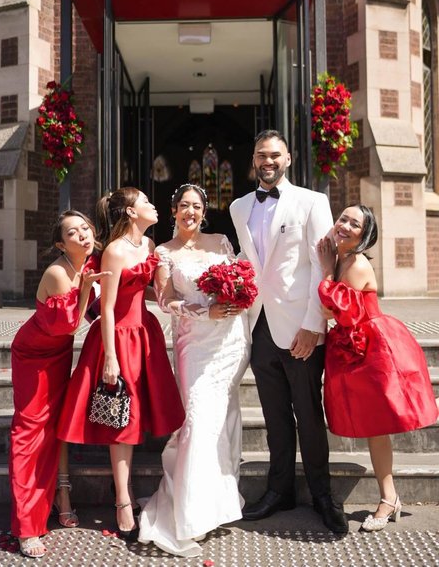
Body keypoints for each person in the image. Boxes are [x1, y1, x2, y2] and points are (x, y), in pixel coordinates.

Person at [229, 129, 348, 534]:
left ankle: (322, 495)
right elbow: (249, 262)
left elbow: (323, 266)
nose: (268, 161)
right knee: (274, 415)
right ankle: (279, 491)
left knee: (309, 415)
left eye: (275, 155)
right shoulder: (239, 206)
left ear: (289, 159)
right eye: (262, 154)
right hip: (259, 327)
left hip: (301, 327)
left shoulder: (313, 202)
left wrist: (314, 326)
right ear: (254, 158)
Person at [57, 187, 185, 541]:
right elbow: (108, 308)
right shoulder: (114, 251)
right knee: (120, 418)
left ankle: (128, 496)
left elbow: (160, 293)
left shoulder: (147, 246)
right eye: (145, 201)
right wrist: (110, 357)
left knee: (135, 414)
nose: (153, 205)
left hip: (145, 334)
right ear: (130, 212)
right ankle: (123, 501)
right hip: (118, 338)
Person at [138, 183, 250, 557]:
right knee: (198, 420)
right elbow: (167, 299)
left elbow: (239, 281)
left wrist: (233, 298)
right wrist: (204, 311)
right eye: (184, 205)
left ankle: (216, 504)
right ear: (173, 211)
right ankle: (187, 513)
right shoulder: (163, 252)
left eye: (197, 206)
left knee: (222, 418)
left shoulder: (220, 242)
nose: (190, 211)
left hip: (230, 341)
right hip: (193, 344)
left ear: (205, 211)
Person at [317, 204, 439, 531]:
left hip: (373, 349)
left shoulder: (354, 264)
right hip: (353, 348)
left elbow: (333, 307)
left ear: (364, 235)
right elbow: (332, 310)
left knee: (378, 424)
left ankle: (388, 499)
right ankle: (390, 496)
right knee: (374, 426)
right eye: (342, 218)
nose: (343, 225)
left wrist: (326, 271)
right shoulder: (342, 258)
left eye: (353, 224)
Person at [10, 210, 107, 558]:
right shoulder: (57, 272)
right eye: (72, 232)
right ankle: (25, 526)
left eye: (85, 227)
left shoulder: (93, 262)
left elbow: (100, 308)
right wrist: (85, 290)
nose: (82, 234)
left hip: (59, 355)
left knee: (54, 429)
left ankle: (55, 497)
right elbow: (69, 325)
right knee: (29, 433)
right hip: (33, 356)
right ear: (59, 243)